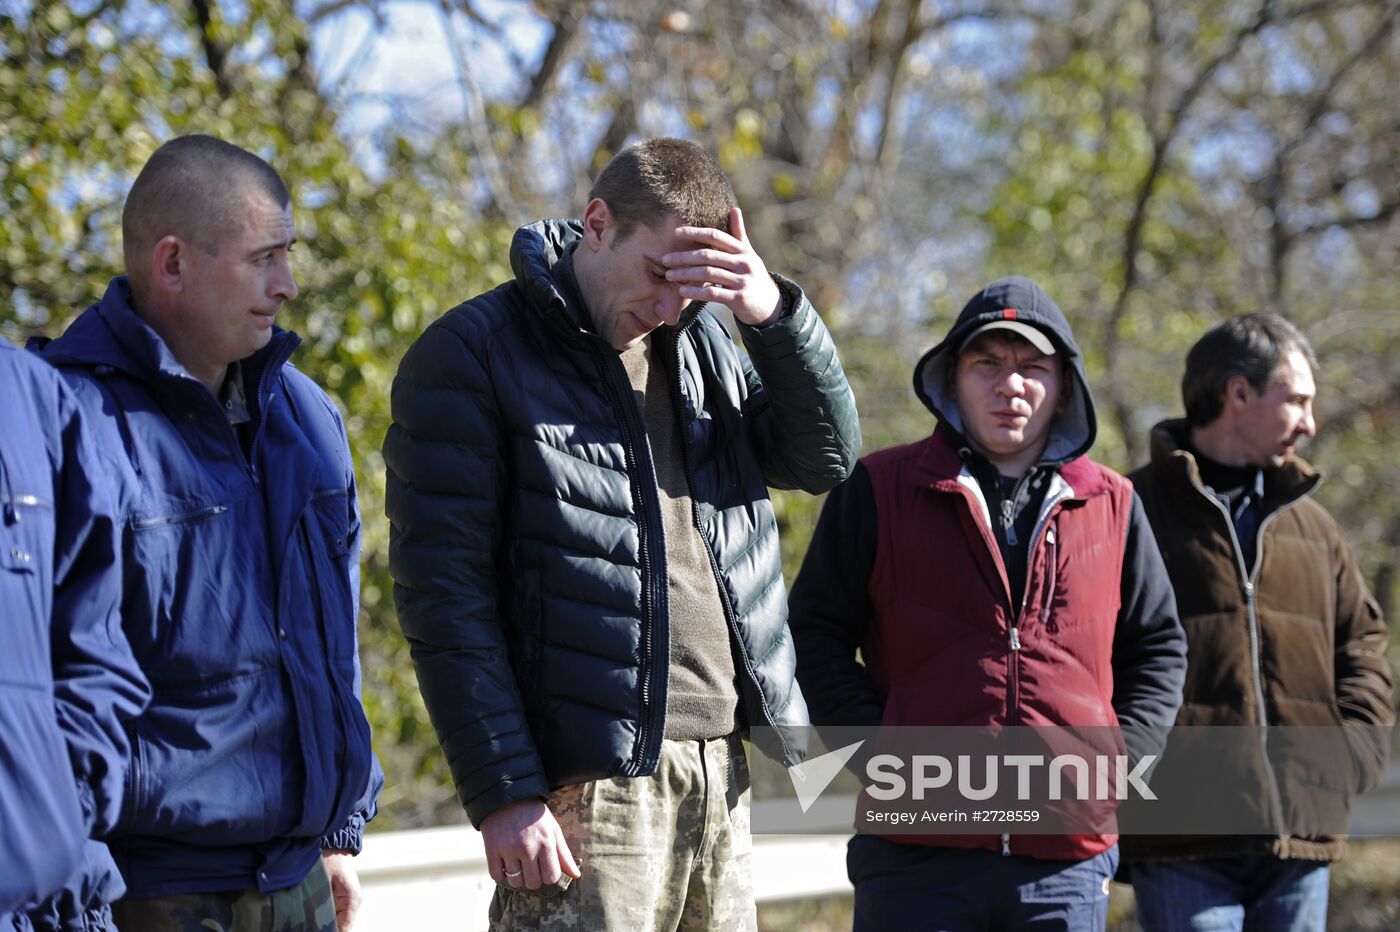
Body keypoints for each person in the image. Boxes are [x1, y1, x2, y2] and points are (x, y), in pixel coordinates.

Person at [384, 137, 860, 930]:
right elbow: (444, 599)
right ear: (597, 224)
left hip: (722, 769)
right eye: (658, 274)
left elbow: (827, 458)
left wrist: (770, 316)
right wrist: (504, 791)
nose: (673, 305)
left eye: (694, 285)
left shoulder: (708, 341)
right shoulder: (470, 354)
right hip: (587, 790)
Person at [31, 134, 382, 932]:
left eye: (288, 255)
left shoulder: (310, 420)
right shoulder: (64, 425)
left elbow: (334, 648)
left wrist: (336, 834)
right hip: (147, 894)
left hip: (303, 881)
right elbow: (44, 691)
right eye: (264, 258)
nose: (288, 285)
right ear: (173, 264)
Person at [788, 276, 1187, 930]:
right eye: (987, 364)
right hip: (913, 855)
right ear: (953, 378)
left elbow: (1160, 645)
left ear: (1063, 387)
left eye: (1034, 367)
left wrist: (1122, 758)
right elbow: (814, 633)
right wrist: (881, 753)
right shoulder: (878, 487)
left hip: (1064, 859)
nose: (1011, 385)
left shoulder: (1112, 503)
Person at [1122, 314, 1394, 931]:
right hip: (1178, 832)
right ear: (1237, 393)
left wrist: (1349, 755)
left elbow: (1365, 648)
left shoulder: (1316, 527)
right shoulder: (1127, 510)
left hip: (1300, 835)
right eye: (1295, 399)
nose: (1310, 422)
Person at [0, 340, 149, 931]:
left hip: (46, 910)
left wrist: (68, 813)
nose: (287, 285)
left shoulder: (29, 394)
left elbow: (93, 648)